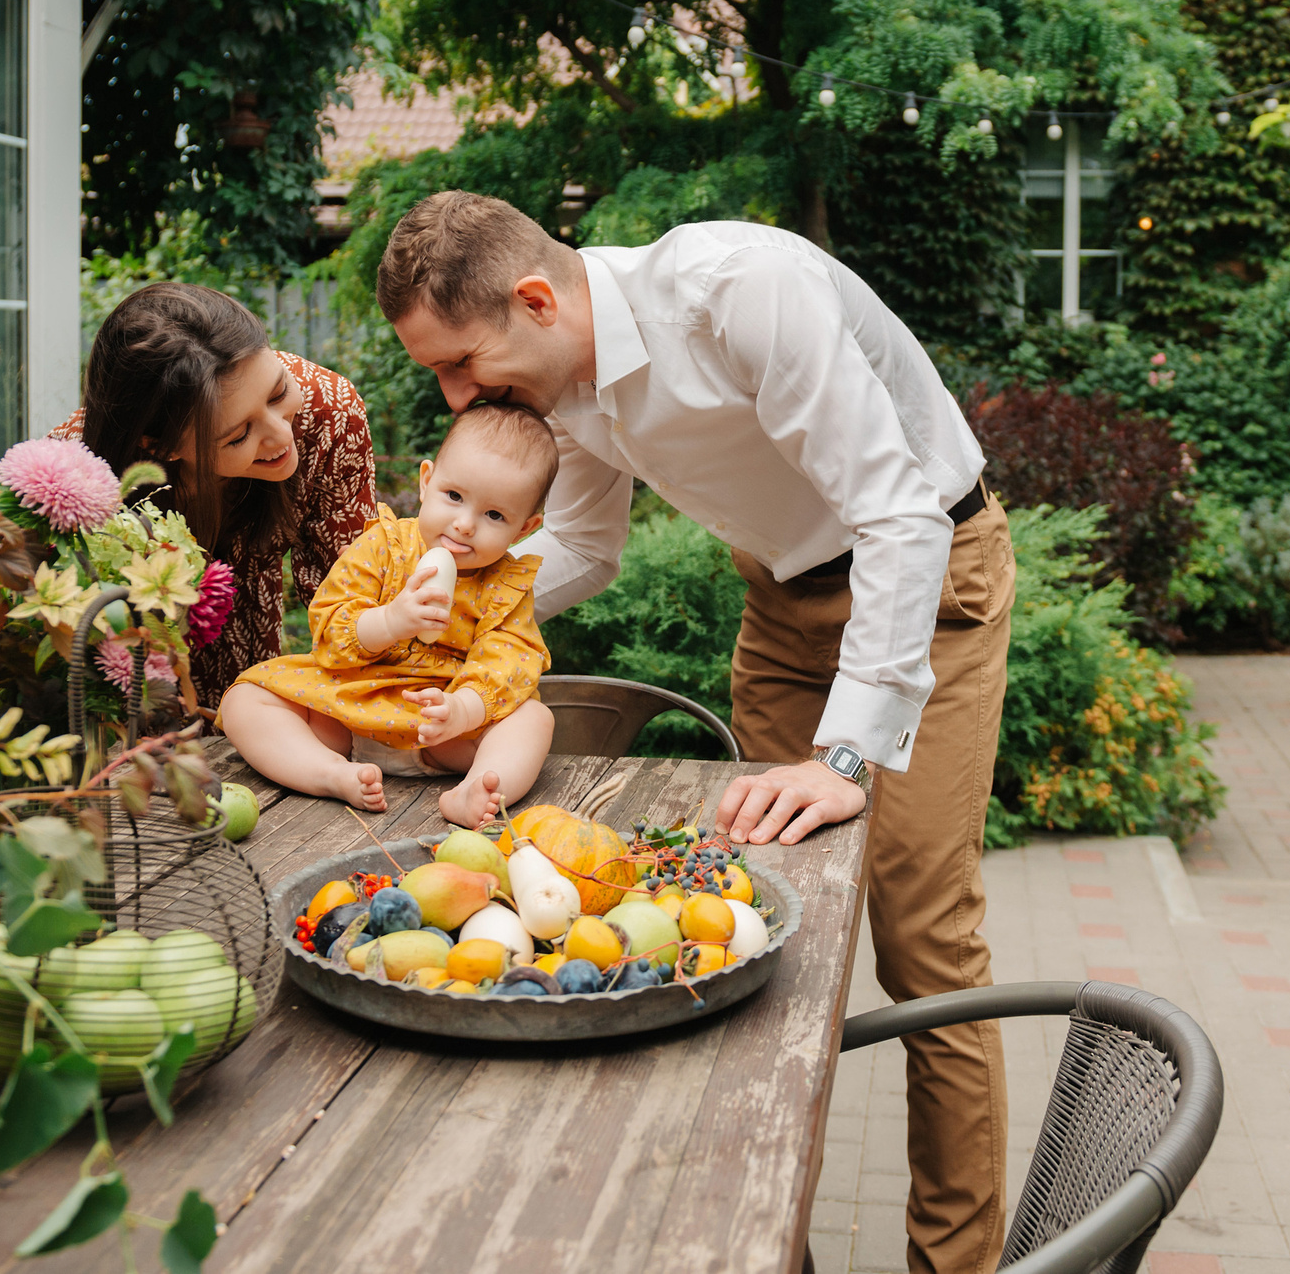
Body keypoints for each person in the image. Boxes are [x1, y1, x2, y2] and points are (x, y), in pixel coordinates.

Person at [377, 191, 1015, 1274]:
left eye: (462, 363)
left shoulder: (738, 294)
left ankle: (955, 1265)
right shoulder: (557, 376)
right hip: (780, 606)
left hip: (926, 586)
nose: (455, 396)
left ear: (537, 298)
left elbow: (897, 515)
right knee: (759, 930)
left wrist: (846, 754)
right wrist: (442, 612)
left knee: (925, 948)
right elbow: (583, 542)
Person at [219, 402, 560, 828]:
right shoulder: (383, 545)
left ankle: (473, 789)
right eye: (453, 497)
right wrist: (390, 621)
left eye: (494, 515)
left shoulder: (504, 585)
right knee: (244, 699)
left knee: (532, 718)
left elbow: (510, 659)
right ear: (426, 481)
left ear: (525, 528)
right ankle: (327, 772)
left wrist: (461, 710)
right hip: (346, 714)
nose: (464, 524)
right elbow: (330, 624)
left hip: (440, 733)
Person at [58, 282, 378, 707]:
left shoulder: (329, 413)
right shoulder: (75, 476)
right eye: (239, 435)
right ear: (160, 448)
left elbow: (351, 594)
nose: (282, 433)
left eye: (278, 392)